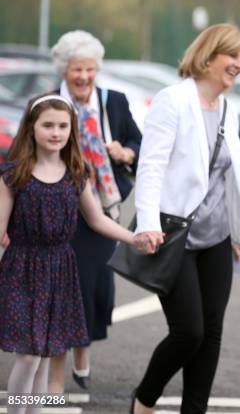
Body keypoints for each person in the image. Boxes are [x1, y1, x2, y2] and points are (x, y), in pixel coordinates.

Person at [130, 23, 240, 414]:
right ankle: (144, 398)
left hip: (217, 237)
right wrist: (147, 222)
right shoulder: (173, 100)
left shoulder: (228, 110)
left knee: (212, 334)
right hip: (174, 234)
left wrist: (239, 228)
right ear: (208, 55)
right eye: (231, 56)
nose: (238, 64)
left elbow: (229, 179)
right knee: (189, 332)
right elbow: (150, 167)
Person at [0, 94, 143, 414]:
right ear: (31, 128)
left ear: (72, 130)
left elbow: (97, 219)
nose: (56, 132)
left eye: (63, 126)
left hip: (59, 269)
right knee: (29, 355)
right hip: (22, 268)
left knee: (44, 356)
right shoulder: (14, 173)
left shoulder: (76, 172)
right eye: (48, 125)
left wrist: (134, 239)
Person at [48, 30, 142, 392]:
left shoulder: (113, 101)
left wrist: (125, 152)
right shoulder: (47, 103)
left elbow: (139, 142)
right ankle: (55, 382)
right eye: (76, 70)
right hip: (59, 213)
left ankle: (82, 352)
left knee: (94, 290)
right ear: (64, 71)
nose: (84, 77)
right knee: (63, 292)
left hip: (103, 208)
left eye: (89, 69)